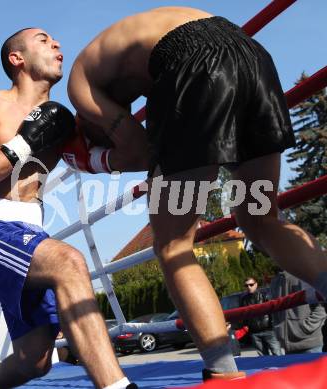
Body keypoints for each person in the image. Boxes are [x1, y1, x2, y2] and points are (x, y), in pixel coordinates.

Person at [65, 6, 327, 381]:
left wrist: (98, 161)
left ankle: (223, 373)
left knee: (173, 244)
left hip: (192, 65)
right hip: (249, 55)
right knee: (259, 218)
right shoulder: (115, 54)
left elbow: (138, 152)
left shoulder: (80, 87)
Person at [0, 28, 137, 389]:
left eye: (55, 41)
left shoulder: (65, 120)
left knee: (35, 361)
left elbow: (131, 156)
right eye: (43, 39)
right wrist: (25, 142)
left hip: (31, 233)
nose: (57, 44)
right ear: (16, 59)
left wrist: (117, 117)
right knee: (69, 262)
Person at [271, 270, 326, 354]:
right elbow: (274, 308)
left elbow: (320, 308)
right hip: (288, 347)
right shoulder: (275, 280)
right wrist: (277, 328)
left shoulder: (304, 276)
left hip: (311, 344)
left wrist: (305, 327)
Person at [239, 277, 283, 356]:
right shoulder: (243, 300)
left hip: (268, 330)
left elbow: (273, 310)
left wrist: (272, 324)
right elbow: (243, 316)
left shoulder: (265, 295)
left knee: (278, 355)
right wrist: (246, 326)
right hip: (254, 333)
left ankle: (284, 368)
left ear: (256, 285)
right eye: (246, 285)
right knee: (263, 358)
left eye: (251, 285)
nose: (249, 287)